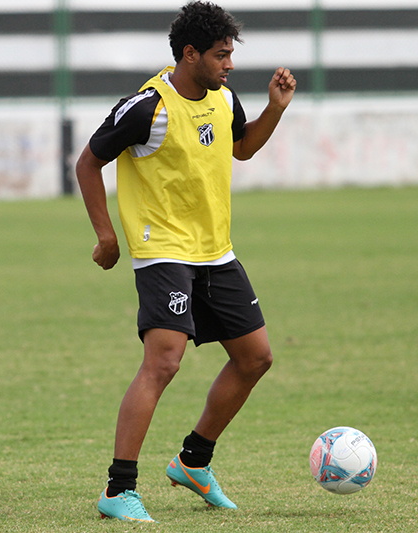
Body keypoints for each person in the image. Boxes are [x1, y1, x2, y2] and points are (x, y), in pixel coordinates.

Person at [76, 1, 296, 522]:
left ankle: (194, 461)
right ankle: (118, 488)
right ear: (190, 54)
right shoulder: (147, 106)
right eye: (222, 55)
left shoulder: (224, 98)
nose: (230, 64)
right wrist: (107, 236)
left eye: (231, 55)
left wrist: (276, 109)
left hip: (216, 251)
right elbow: (88, 162)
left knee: (256, 358)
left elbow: (241, 149)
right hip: (162, 251)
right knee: (164, 361)